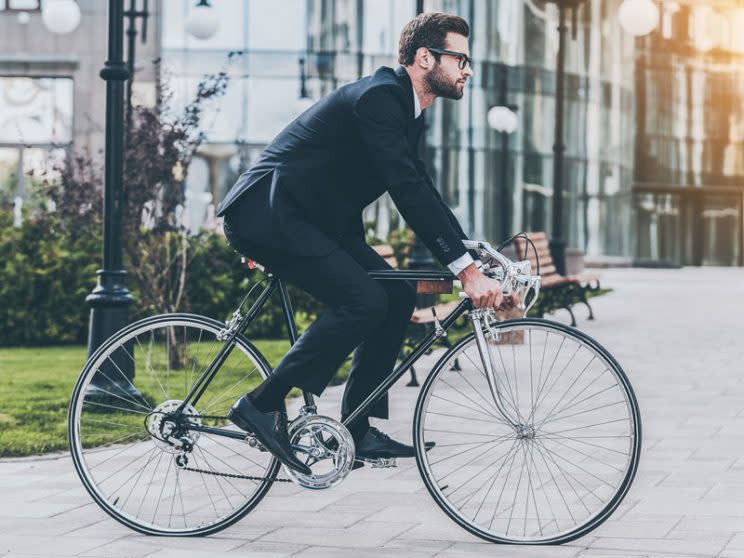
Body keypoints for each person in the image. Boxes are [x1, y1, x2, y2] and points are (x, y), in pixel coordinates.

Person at [217, 12, 512, 475]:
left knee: (394, 294)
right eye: (462, 59)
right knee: (363, 301)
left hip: (305, 219)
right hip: (268, 215)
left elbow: (419, 185)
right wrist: (465, 272)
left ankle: (356, 426)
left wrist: (466, 249)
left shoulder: (404, 109)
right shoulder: (380, 98)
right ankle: (261, 404)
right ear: (424, 57)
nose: (467, 70)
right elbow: (405, 189)